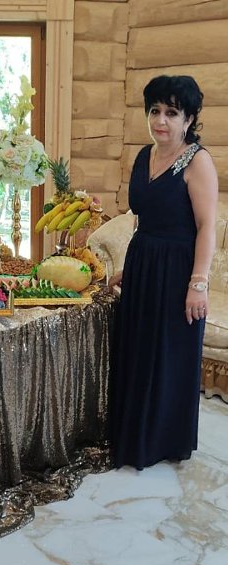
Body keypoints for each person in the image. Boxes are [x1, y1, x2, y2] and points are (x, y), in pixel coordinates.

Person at [109, 74, 218, 470]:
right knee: (138, 351)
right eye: (154, 111)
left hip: (178, 272)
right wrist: (128, 267)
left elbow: (207, 227)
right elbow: (142, 219)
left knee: (168, 357)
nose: (161, 120)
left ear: (189, 119)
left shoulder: (198, 161)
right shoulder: (143, 156)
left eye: (172, 112)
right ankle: (131, 434)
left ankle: (160, 443)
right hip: (143, 264)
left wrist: (198, 284)